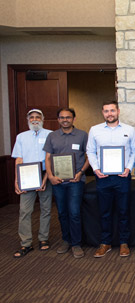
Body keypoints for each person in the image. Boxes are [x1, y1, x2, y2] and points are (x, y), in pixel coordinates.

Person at [86, 100, 135, 258]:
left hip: (122, 177)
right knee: (105, 212)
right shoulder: (95, 130)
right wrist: (95, 169)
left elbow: (134, 152)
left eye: (112, 110)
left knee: (123, 211)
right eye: (106, 111)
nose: (110, 114)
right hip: (103, 178)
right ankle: (105, 243)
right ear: (103, 113)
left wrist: (129, 168)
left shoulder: (129, 130)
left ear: (118, 111)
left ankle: (124, 243)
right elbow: (91, 151)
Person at [44, 108, 89, 259]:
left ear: (73, 119)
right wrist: (50, 176)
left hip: (76, 181)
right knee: (62, 213)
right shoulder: (52, 136)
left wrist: (80, 172)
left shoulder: (83, 135)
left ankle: (76, 244)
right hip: (58, 182)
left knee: (74, 212)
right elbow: (48, 158)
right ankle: (66, 240)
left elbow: (89, 157)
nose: (65, 120)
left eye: (68, 117)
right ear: (58, 120)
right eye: (62, 117)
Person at [12, 109, 53, 258]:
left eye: (38, 117)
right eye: (32, 117)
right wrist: (17, 180)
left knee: (46, 209)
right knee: (24, 210)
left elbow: (51, 159)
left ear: (43, 119)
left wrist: (45, 178)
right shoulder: (21, 137)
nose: (35, 119)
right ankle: (26, 243)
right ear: (27, 119)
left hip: (44, 175)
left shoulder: (50, 134)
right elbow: (19, 159)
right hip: (26, 175)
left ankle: (43, 239)